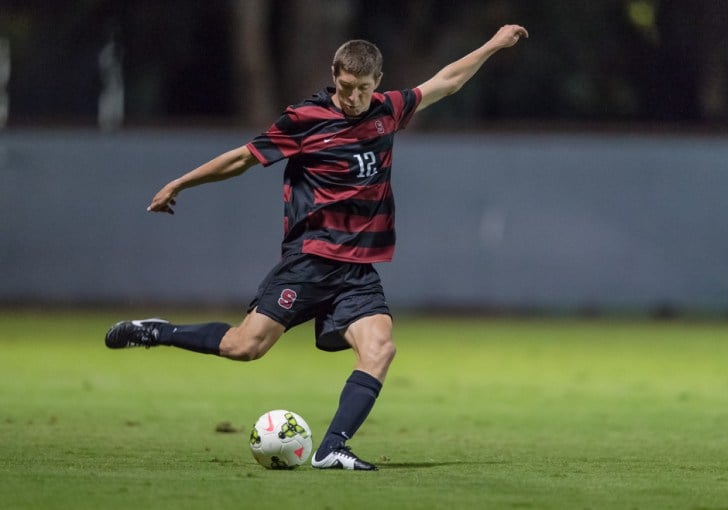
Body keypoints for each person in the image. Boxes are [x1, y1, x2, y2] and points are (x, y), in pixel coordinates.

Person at [105, 24, 529, 470]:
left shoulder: (388, 110)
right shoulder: (304, 119)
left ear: (377, 83)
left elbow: (447, 80)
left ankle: (332, 448)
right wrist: (180, 182)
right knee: (244, 347)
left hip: (358, 270)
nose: (353, 98)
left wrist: (493, 45)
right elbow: (242, 158)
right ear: (334, 75)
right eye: (345, 87)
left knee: (381, 348)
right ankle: (157, 331)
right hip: (310, 260)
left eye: (362, 89)